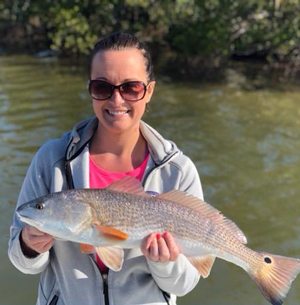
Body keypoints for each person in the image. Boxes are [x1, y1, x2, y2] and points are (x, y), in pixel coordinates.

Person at [8, 32, 204, 305]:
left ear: (149, 91)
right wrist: (29, 246)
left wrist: (165, 263)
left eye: (131, 88)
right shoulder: (51, 160)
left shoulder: (178, 172)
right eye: (102, 87)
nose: (116, 100)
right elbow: (20, 261)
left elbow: (184, 284)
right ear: (90, 89)